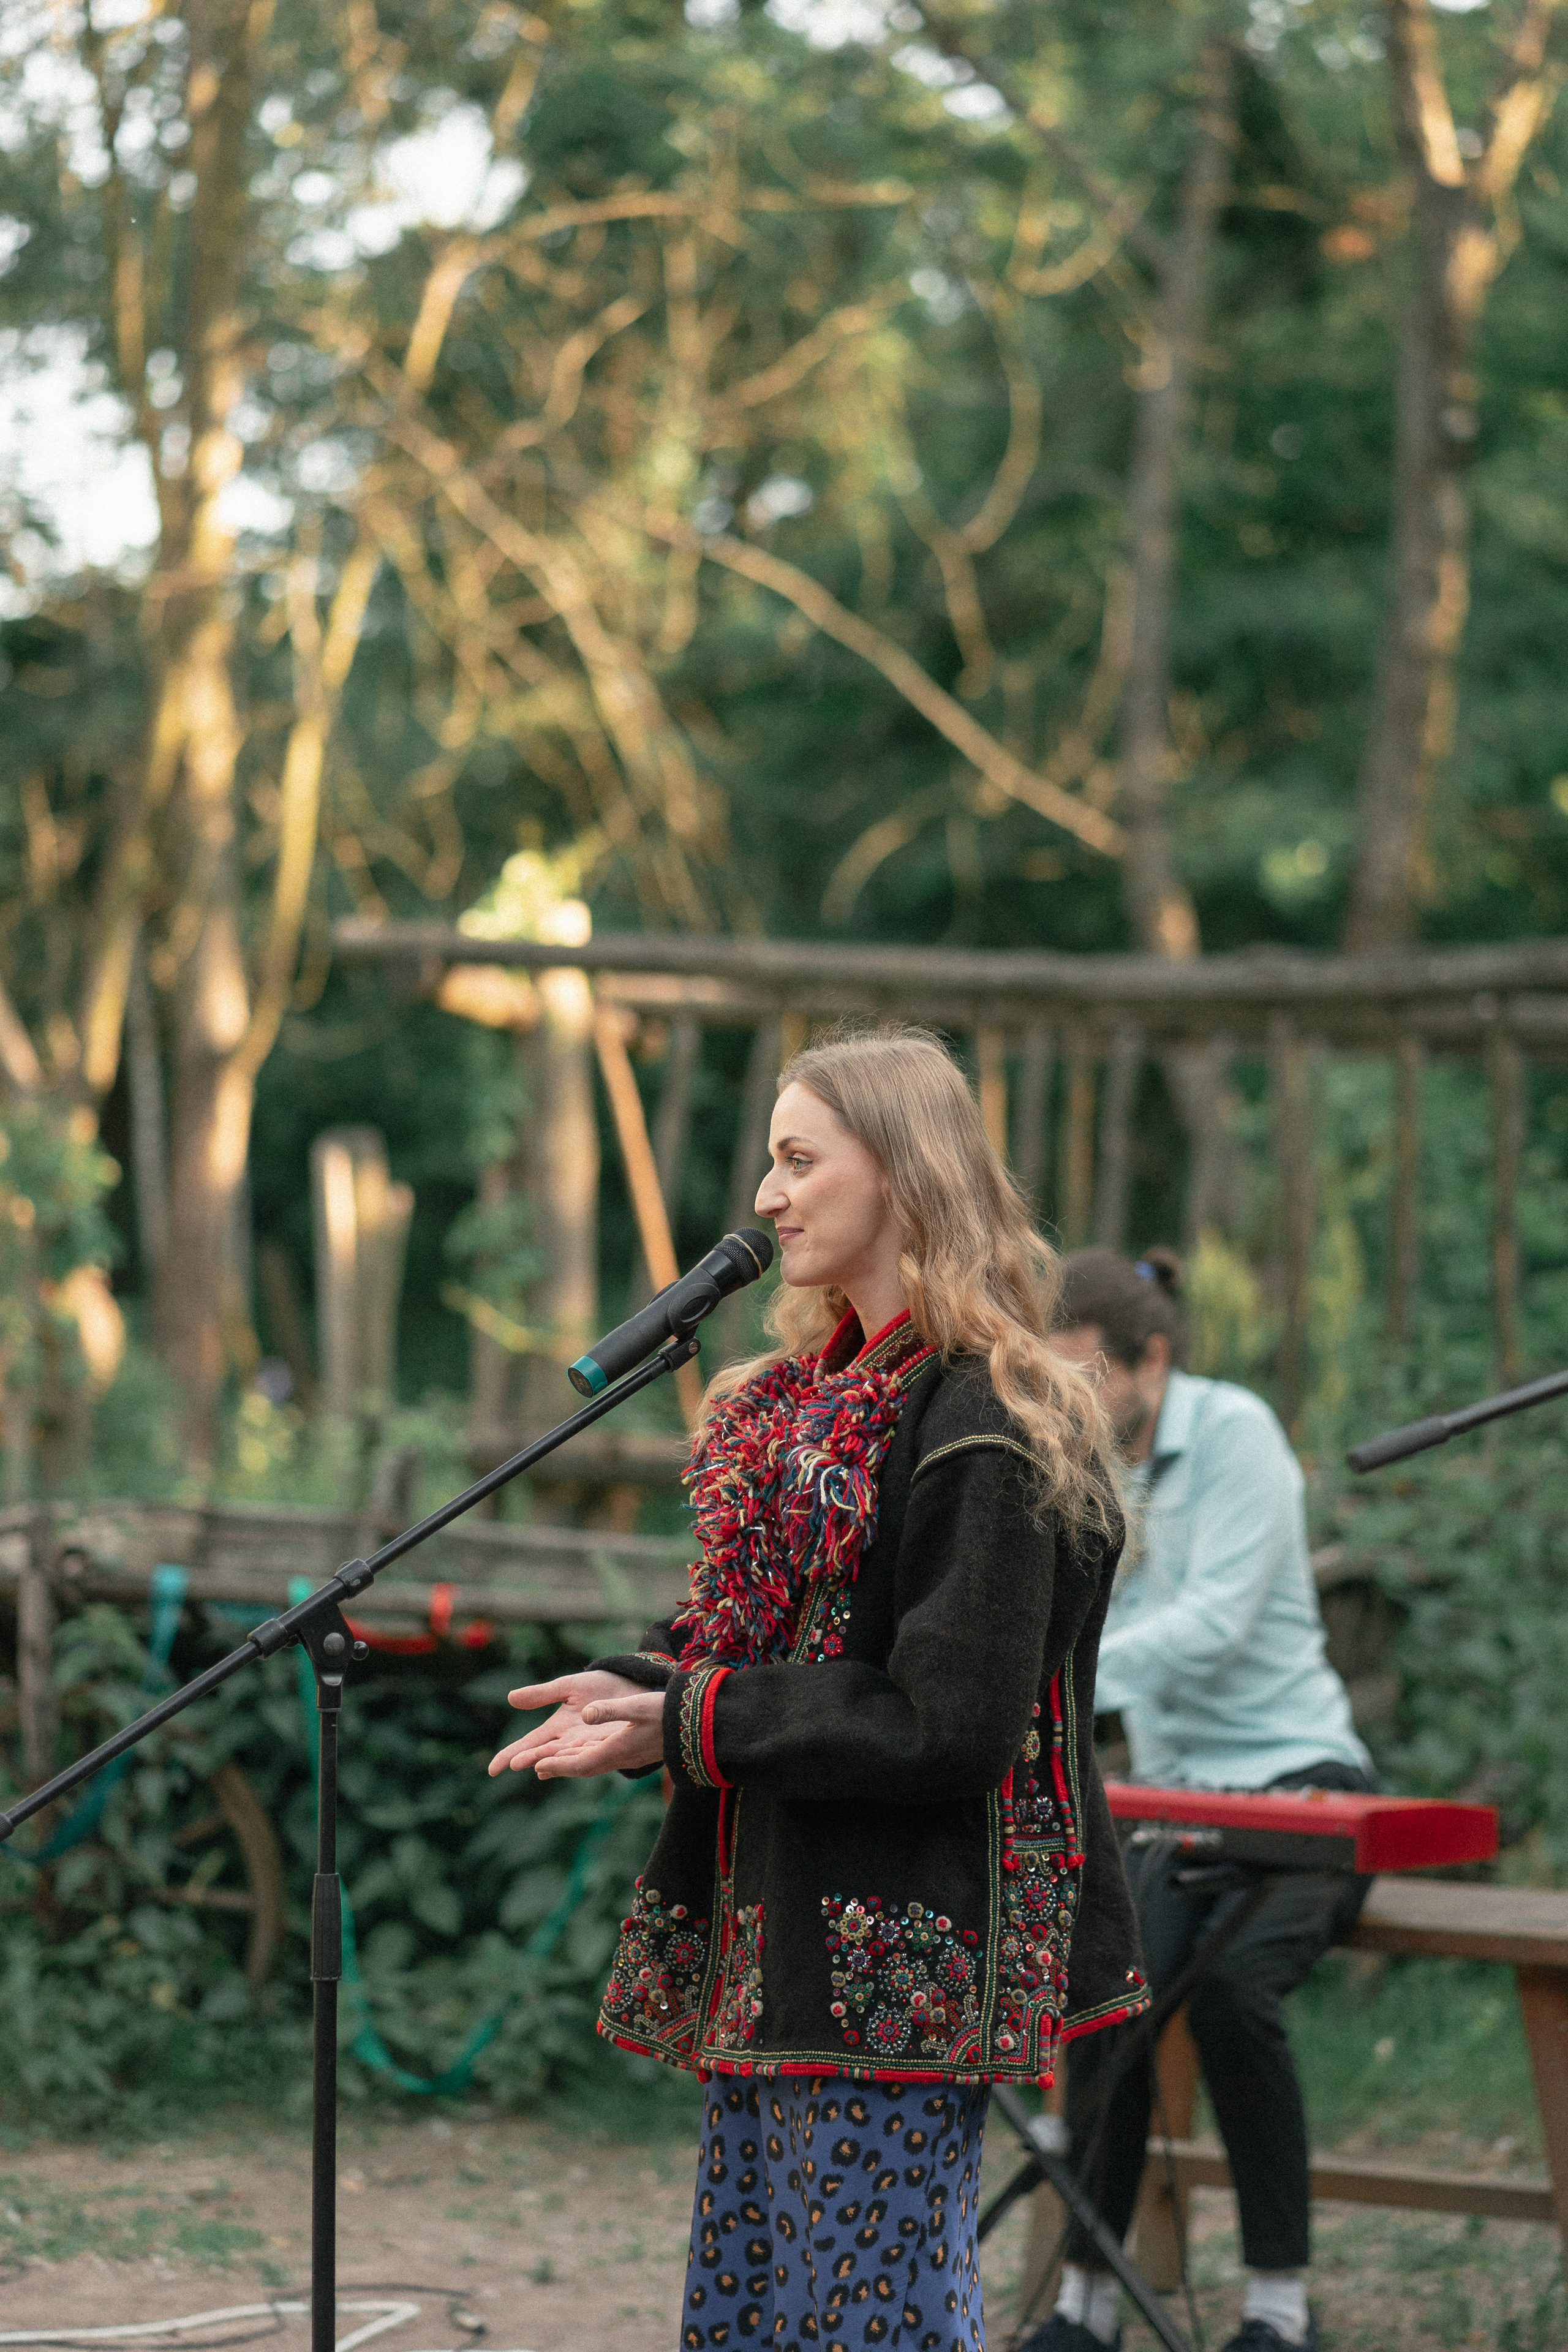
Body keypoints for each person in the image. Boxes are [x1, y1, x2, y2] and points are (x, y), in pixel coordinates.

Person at [488, 1027, 1148, 2352]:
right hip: (779, 1937)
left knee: (868, 2329)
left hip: (900, 1955)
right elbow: (777, 1649)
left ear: (902, 1171)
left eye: (799, 1161)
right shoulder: (811, 1401)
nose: (766, 1195)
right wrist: (641, 1693)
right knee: (754, 2322)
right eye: (770, 1163)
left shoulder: (985, 1418)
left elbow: (942, 1724)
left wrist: (691, 1719)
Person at [1028, 1247, 1373, 2352]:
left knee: (1232, 1997)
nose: (1073, 1400)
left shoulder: (1237, 1434)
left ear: (1154, 1359)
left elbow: (1215, 1626)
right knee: (1107, 1989)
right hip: (1171, 1799)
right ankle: (1085, 2309)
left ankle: (1278, 2310)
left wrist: (1048, 1682)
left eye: (1089, 1376)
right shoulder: (1083, 1455)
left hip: (1301, 1778)